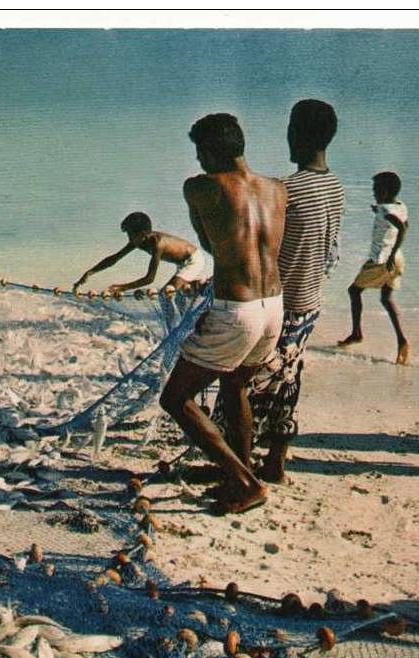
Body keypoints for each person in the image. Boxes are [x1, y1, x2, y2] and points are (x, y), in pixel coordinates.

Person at [211, 99, 346, 483]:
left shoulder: (284, 191)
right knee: (288, 377)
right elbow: (330, 251)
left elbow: (260, 252)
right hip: (310, 302)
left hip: (278, 302)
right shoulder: (335, 188)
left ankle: (240, 468)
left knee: (243, 383)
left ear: (296, 134)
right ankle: (276, 460)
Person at [158, 113, 287, 515]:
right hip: (274, 306)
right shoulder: (278, 189)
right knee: (236, 386)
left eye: (200, 151)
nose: (198, 161)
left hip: (238, 308)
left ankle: (246, 482)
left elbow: (211, 245)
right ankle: (240, 471)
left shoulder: (200, 187)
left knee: (176, 399)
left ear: (212, 150)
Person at [338, 172, 410, 364]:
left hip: (381, 261)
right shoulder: (400, 206)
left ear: (384, 192)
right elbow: (405, 224)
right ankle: (402, 340)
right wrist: (379, 211)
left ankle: (356, 333)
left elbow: (401, 228)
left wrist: (391, 251)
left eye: (375, 190)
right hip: (398, 261)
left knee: (354, 291)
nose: (373, 193)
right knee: (386, 299)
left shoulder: (385, 211)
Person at [73, 212, 211, 295]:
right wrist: (89, 273)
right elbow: (114, 259)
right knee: (173, 294)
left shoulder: (159, 244)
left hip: (193, 259)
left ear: (144, 234)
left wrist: (123, 287)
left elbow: (150, 278)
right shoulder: (138, 241)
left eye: (131, 235)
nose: (129, 239)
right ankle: (194, 285)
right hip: (181, 262)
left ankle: (199, 285)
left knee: (166, 294)